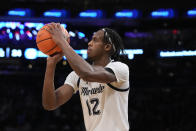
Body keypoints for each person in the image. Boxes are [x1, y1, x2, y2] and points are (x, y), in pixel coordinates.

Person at [42, 22, 130, 131]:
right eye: (91, 39)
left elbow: (88, 74)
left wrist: (62, 42)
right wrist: (50, 65)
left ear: (107, 47)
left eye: (95, 40)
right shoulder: (76, 76)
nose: (89, 43)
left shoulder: (120, 68)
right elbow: (50, 104)